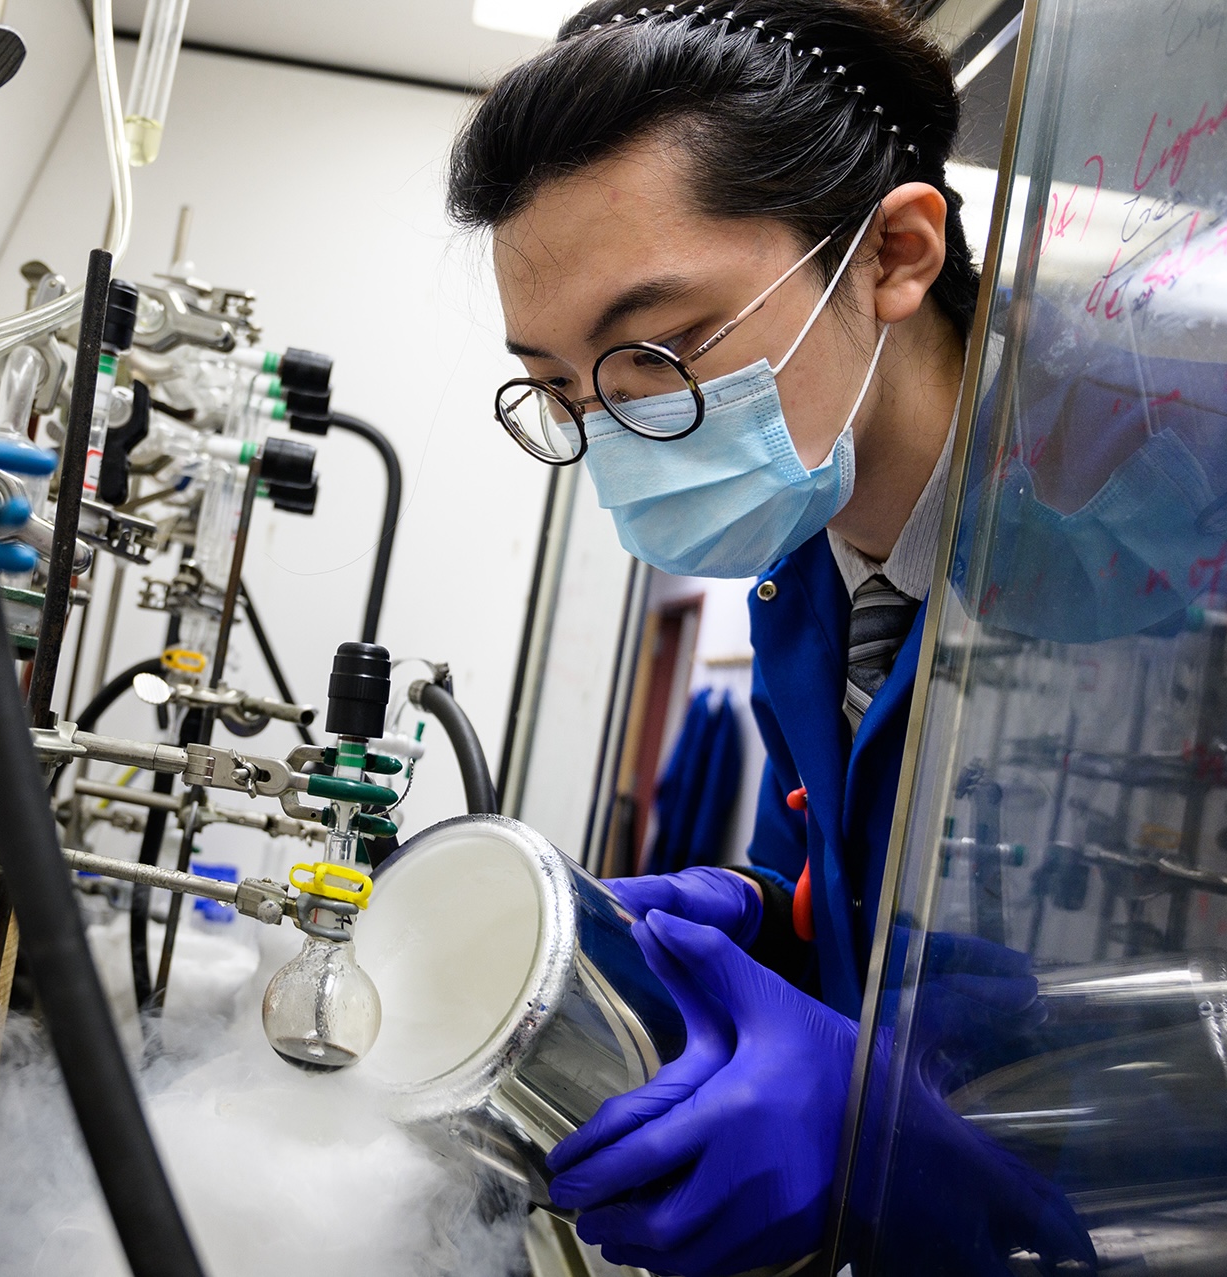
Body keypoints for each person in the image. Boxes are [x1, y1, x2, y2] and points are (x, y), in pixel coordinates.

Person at [447, 3, 1094, 1273]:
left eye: (666, 346)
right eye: (565, 385)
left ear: (894, 257)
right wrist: (760, 913)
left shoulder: (1141, 559)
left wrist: (884, 1135)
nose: (621, 424)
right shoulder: (808, 589)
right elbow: (877, 920)